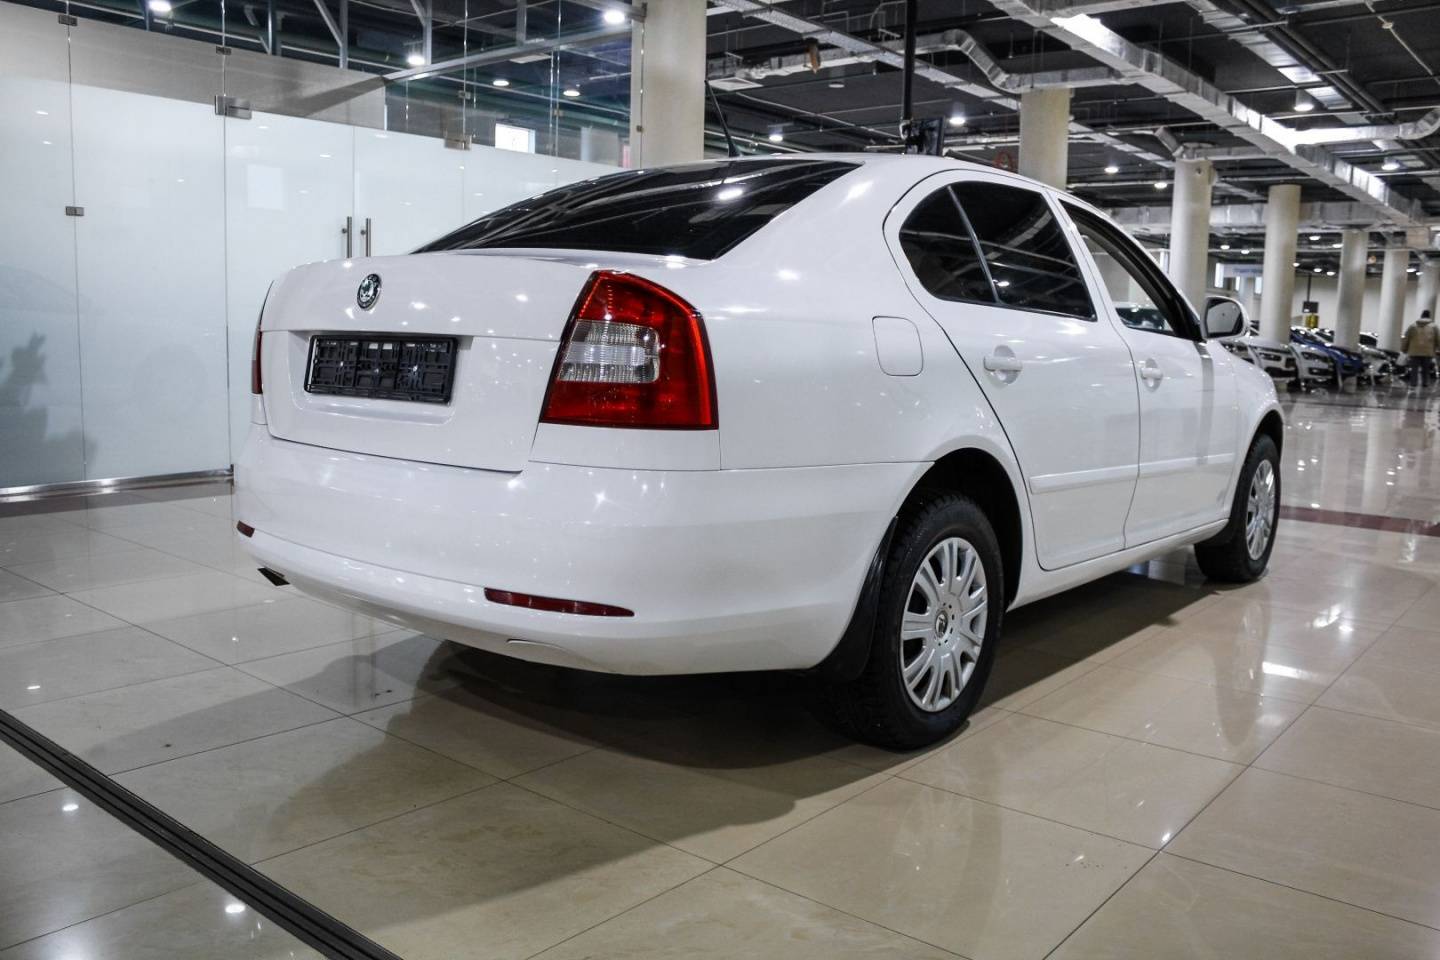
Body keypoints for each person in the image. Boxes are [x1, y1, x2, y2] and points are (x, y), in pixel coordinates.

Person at [1402, 310, 1438, 388]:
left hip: (1414, 351)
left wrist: (1404, 348)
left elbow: (1406, 338)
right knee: (1426, 368)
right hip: (1428, 351)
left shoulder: (1412, 326)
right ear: (1429, 316)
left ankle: (1413, 383)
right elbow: (1438, 339)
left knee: (1414, 369)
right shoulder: (1434, 327)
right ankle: (1425, 383)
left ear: (1421, 316)